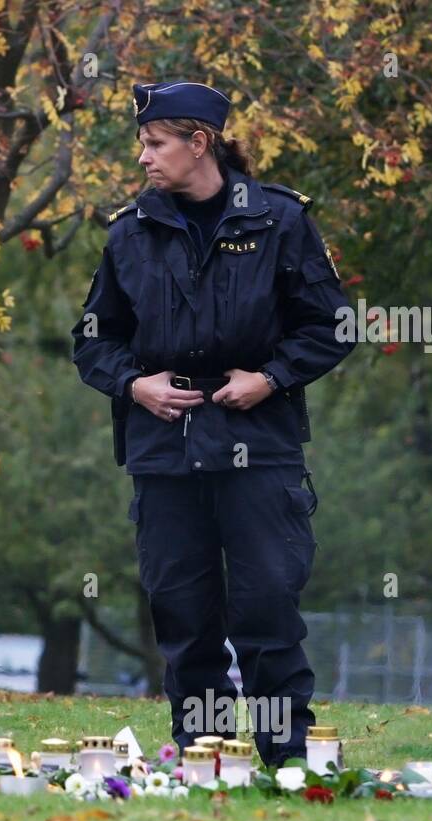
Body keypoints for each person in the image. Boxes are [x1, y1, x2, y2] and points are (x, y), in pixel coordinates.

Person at [71, 80, 357, 767]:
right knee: (184, 615)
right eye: (142, 144)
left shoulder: (280, 221)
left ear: (200, 143)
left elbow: (334, 324)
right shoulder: (130, 232)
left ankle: (289, 760)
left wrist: (272, 377)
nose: (143, 157)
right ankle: (203, 758)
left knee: (266, 610)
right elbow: (92, 339)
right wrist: (134, 384)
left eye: (154, 143)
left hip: (259, 450)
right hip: (165, 454)